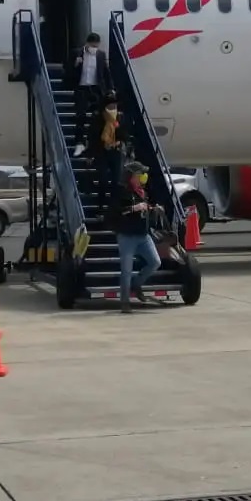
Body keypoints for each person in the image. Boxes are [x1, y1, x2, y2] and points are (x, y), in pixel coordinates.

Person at [112, 161, 162, 313]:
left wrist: (154, 209)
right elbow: (116, 212)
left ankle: (136, 284)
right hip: (127, 236)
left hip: (143, 235)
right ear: (132, 176)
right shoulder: (121, 192)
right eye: (139, 174)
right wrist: (133, 208)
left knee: (155, 262)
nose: (142, 176)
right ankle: (125, 302)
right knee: (126, 270)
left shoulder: (142, 192)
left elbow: (145, 209)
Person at [70, 32, 112, 156]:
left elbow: (105, 73)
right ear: (87, 44)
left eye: (96, 46)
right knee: (80, 116)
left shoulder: (101, 55)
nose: (94, 49)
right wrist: (75, 64)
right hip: (82, 88)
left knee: (99, 117)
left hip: (96, 89)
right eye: (92, 46)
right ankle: (79, 143)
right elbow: (67, 69)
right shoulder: (76, 53)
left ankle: (96, 144)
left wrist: (111, 88)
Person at [87, 91, 127, 212]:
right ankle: (100, 206)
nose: (113, 109)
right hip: (101, 152)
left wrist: (118, 138)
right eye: (110, 107)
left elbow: (125, 135)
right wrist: (90, 154)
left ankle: (114, 207)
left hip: (116, 151)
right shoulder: (98, 118)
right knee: (103, 179)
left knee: (116, 180)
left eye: (114, 106)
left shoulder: (119, 118)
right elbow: (93, 137)